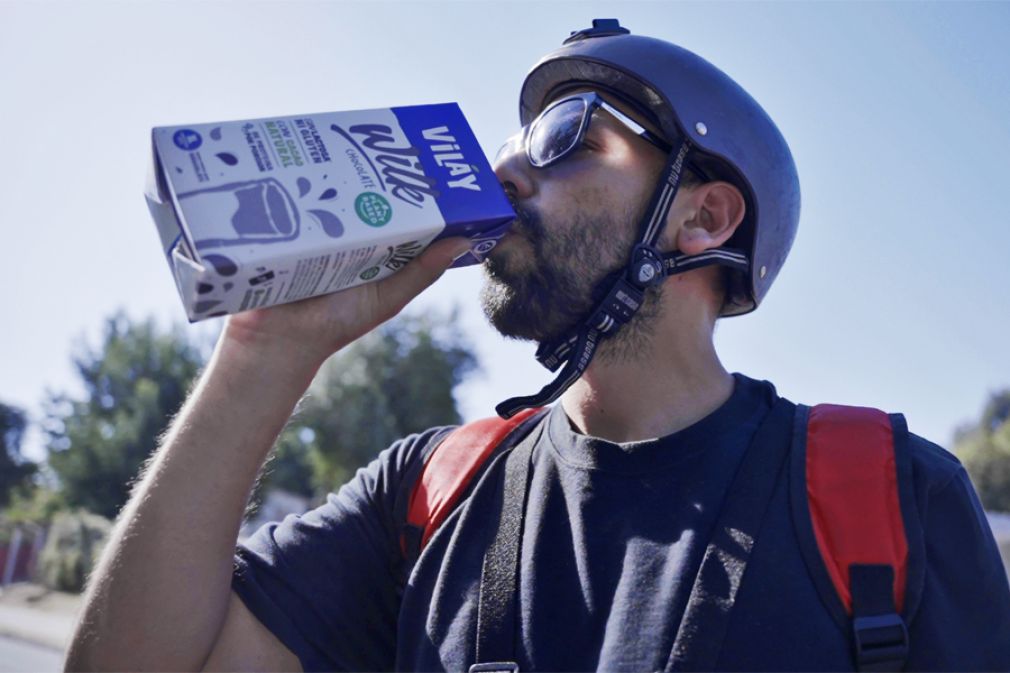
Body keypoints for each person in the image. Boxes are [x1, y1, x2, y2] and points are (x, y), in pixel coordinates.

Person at [66, 19, 1010, 673]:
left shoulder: (891, 495)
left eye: (569, 135)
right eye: (520, 134)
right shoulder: (431, 491)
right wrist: (267, 351)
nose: (509, 164)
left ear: (702, 216)